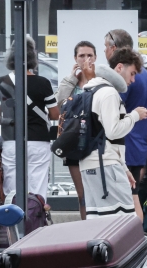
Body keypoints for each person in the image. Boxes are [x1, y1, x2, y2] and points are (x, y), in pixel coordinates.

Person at [79, 47, 147, 218]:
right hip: (106, 164)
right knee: (125, 217)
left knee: (97, 218)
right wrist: (134, 115)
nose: (133, 80)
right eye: (132, 73)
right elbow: (113, 132)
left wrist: (124, 168)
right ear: (119, 68)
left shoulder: (91, 89)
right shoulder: (109, 93)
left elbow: (102, 133)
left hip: (91, 162)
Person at [0, 36, 60, 199]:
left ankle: (13, 223)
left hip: (11, 141)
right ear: (33, 58)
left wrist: (9, 121)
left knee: (12, 190)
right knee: (37, 189)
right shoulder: (43, 83)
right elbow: (54, 115)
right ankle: (36, 221)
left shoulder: (1, 83)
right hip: (38, 140)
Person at [104, 29, 147, 222]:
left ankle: (136, 241)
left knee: (130, 199)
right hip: (138, 143)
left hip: (126, 144)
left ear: (114, 48)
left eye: (106, 48)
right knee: (133, 196)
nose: (106, 53)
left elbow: (114, 111)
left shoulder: (125, 79)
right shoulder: (144, 75)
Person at [56, 40, 97, 220]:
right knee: (82, 195)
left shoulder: (100, 80)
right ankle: (86, 230)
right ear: (75, 58)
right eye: (82, 55)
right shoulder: (70, 82)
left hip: (95, 142)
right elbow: (59, 105)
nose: (86, 59)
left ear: (95, 58)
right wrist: (73, 78)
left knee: (96, 193)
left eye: (89, 55)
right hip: (74, 142)